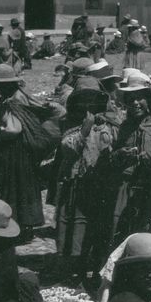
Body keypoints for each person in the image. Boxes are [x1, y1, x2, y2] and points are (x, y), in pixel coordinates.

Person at [0, 64, 61, 241]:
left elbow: (13, 129)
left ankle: (15, 229)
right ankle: (23, 228)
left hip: (13, 154)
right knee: (23, 189)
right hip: (22, 154)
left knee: (12, 189)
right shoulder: (19, 96)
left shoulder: (12, 102)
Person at [53, 77, 118, 287]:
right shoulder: (69, 122)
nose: (87, 105)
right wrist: (84, 129)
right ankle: (74, 270)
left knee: (96, 228)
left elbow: (112, 146)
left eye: (92, 100)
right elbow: (68, 148)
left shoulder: (108, 123)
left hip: (99, 186)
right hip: (75, 185)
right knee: (75, 229)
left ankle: (93, 270)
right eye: (83, 100)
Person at [109, 74, 151, 247]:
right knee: (119, 230)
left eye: (140, 98)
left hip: (150, 192)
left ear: (149, 99)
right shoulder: (126, 126)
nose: (135, 103)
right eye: (130, 99)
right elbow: (113, 157)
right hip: (124, 188)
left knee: (144, 234)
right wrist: (120, 153)